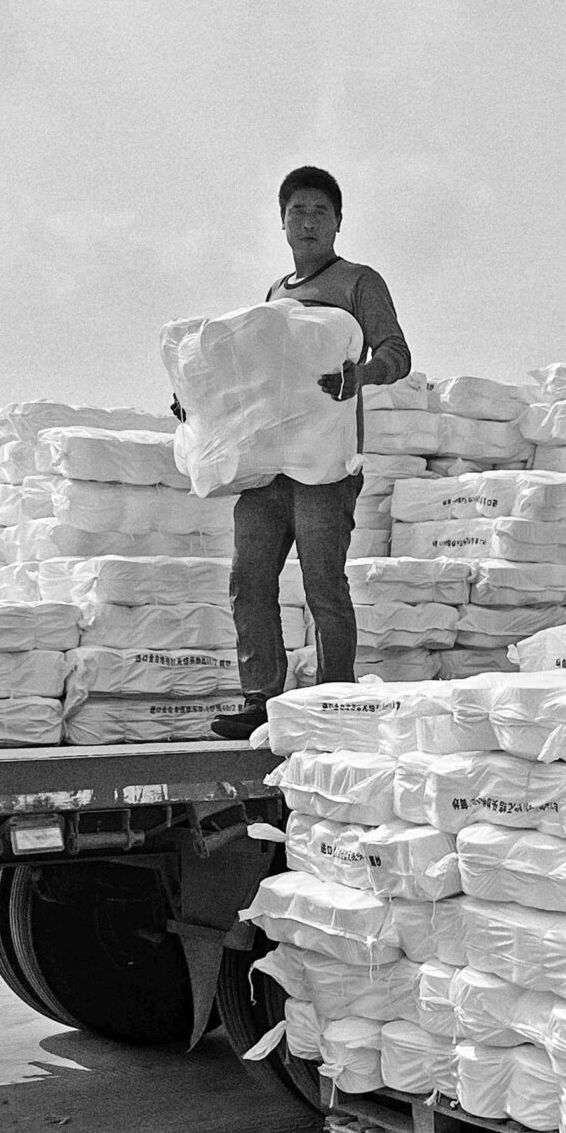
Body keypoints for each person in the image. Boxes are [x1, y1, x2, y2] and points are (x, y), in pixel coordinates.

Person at [206, 165, 410, 737]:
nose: (308, 221)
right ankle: (260, 699)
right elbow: (256, 374)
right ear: (282, 221)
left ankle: (334, 703)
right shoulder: (274, 295)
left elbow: (398, 352)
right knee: (249, 579)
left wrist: (360, 375)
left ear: (339, 222)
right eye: (298, 210)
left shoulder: (358, 282)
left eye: (321, 211)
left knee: (323, 583)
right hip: (270, 465)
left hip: (326, 465)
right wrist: (203, 407)